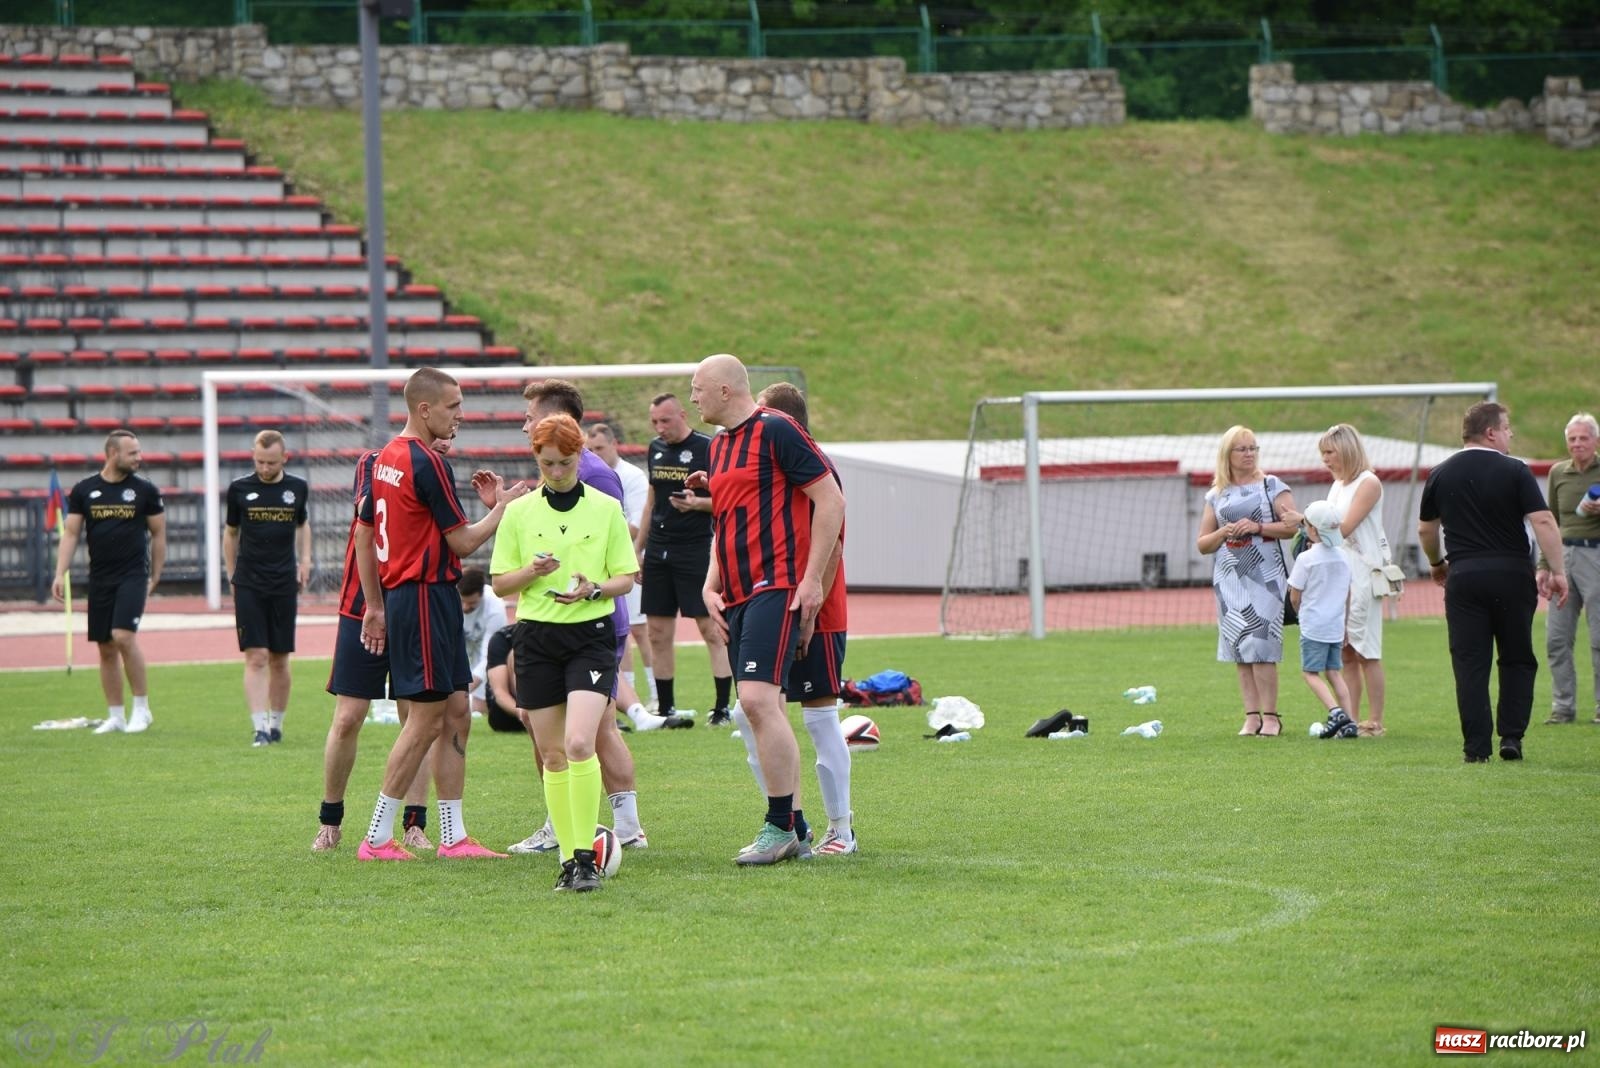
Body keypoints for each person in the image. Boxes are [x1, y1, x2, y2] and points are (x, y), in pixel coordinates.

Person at [357, 367, 527, 861]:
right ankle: (377, 836)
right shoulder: (426, 463)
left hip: (426, 595)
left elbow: (367, 533)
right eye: (453, 407)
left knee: (457, 712)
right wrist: (504, 509)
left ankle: (452, 836)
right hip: (424, 595)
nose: (460, 416)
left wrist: (375, 604)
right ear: (424, 409)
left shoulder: (387, 456)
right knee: (426, 718)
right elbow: (464, 540)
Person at [503, 380, 668, 859]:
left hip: (590, 618)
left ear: (558, 417)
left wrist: (591, 589)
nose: (525, 422)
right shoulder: (548, 484)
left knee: (590, 733)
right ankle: (594, 824)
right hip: (554, 619)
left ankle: (605, 826)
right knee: (577, 733)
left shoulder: (592, 477)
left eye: (531, 414)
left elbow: (613, 554)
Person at [691, 354, 845, 865]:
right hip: (735, 593)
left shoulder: (776, 430)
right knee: (756, 707)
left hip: (774, 586)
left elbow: (830, 501)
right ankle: (797, 825)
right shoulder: (717, 448)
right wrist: (711, 585)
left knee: (757, 700)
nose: (693, 398)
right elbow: (725, 524)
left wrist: (810, 582)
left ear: (726, 391)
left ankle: (780, 826)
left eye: (698, 388)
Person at [491, 413, 639, 893]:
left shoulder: (603, 506)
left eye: (565, 462)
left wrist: (594, 588)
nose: (556, 472)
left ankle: (584, 858)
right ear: (536, 458)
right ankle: (570, 862)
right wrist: (533, 572)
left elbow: (625, 577)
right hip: (535, 638)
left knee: (580, 743)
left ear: (580, 456)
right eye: (547, 463)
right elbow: (499, 585)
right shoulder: (518, 513)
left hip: (590, 637)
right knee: (552, 754)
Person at [729, 381, 856, 857]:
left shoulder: (810, 461)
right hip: (775, 602)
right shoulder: (764, 462)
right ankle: (788, 821)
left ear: (780, 420)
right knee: (751, 710)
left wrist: (812, 608)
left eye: (759, 413)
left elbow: (833, 541)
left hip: (815, 609)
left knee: (821, 717)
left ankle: (841, 830)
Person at [1418, 401, 1567, 763]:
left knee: (1470, 663)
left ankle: (1476, 748)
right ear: (1490, 433)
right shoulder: (1515, 470)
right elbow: (1543, 521)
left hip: (1464, 576)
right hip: (1512, 574)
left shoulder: (1440, 473)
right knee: (1516, 656)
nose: (1510, 433)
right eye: (1507, 427)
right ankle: (1511, 737)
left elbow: (1426, 528)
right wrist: (1559, 571)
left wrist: (1437, 563)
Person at [312, 444, 440, 854]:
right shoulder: (375, 462)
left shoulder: (438, 468)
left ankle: (414, 824)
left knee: (416, 718)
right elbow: (370, 524)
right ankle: (330, 821)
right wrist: (373, 605)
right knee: (349, 717)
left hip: (412, 608)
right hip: (361, 607)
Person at [52, 429, 165, 735]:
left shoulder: (145, 491)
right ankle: (115, 715)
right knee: (105, 647)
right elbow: (72, 532)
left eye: (139, 452)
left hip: (133, 575)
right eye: (133, 453)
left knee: (123, 637)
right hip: (100, 576)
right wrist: (60, 571)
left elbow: (158, 534)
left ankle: (142, 709)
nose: (139, 458)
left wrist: (156, 573)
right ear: (113, 454)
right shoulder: (85, 490)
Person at [1196, 426, 1301, 738]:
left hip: (1265, 577)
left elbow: (1291, 527)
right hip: (1229, 578)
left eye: (1253, 448)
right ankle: (1251, 716)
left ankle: (1271, 716)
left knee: (1261, 644)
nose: (1249, 454)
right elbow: (1203, 544)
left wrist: (1257, 527)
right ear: (1227, 454)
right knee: (1239, 647)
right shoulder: (1217, 494)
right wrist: (1222, 533)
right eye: (1241, 449)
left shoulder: (1272, 486)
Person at [637, 391, 734, 725]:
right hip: (659, 549)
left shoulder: (708, 447)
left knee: (710, 629)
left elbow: (727, 500)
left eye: (665, 420)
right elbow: (651, 502)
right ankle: (666, 708)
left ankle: (722, 708)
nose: (659, 427)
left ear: (682, 415)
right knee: (657, 632)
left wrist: (697, 504)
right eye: (654, 422)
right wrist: (638, 547)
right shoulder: (655, 449)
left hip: (695, 548)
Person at [224, 429, 311, 747]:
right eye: (259, 461)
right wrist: (232, 573)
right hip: (249, 582)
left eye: (271, 463)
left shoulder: (297, 488)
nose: (264, 468)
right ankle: (259, 727)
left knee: (279, 657)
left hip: (283, 582)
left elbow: (303, 524)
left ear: (284, 458)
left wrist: (306, 561)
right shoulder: (239, 489)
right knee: (256, 656)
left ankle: (276, 724)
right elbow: (231, 533)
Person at [1318, 423, 1392, 737]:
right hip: (1338, 574)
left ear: (1346, 450)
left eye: (1329, 452)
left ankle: (1374, 719)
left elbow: (1344, 528)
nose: (1325, 460)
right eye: (1322, 454)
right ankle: (1349, 716)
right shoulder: (1337, 485)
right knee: (1345, 649)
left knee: (1366, 649)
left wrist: (1307, 525)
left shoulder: (1368, 482)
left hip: (1362, 573)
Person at [586, 422, 658, 710]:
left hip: (629, 559)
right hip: (602, 564)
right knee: (619, 631)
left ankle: (655, 695)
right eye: (590, 449)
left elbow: (636, 525)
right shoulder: (589, 476)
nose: (595, 453)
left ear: (614, 444)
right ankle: (628, 697)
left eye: (600, 448)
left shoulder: (631, 476)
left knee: (641, 630)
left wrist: (598, 539)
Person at [1538, 412, 1600, 725]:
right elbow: (1550, 520)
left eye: (1583, 438)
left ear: (1596, 441)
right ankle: (1563, 708)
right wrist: (1544, 564)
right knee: (1556, 638)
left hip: (1596, 557)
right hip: (1563, 557)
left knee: (1599, 636)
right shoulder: (1557, 472)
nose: (1577, 444)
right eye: (1572, 439)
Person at [1290, 501, 1357, 740]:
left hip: (1314, 625)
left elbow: (1295, 594)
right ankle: (1350, 723)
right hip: (1336, 625)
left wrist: (1299, 612)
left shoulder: (1306, 559)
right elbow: (1347, 594)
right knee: (1334, 672)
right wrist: (1346, 624)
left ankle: (1336, 712)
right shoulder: (1343, 557)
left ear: (1313, 530)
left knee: (1310, 672)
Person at [457, 566, 509, 718]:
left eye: (472, 604)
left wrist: (465, 690)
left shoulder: (495, 608)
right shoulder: (451, 597)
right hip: (462, 642)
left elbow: (489, 656)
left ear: (481, 595)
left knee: (479, 707)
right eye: (463, 602)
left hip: (484, 646)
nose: (466, 607)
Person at [483, 623, 525, 733]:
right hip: (505, 711)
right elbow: (500, 693)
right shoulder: (503, 638)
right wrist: (525, 714)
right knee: (516, 653)